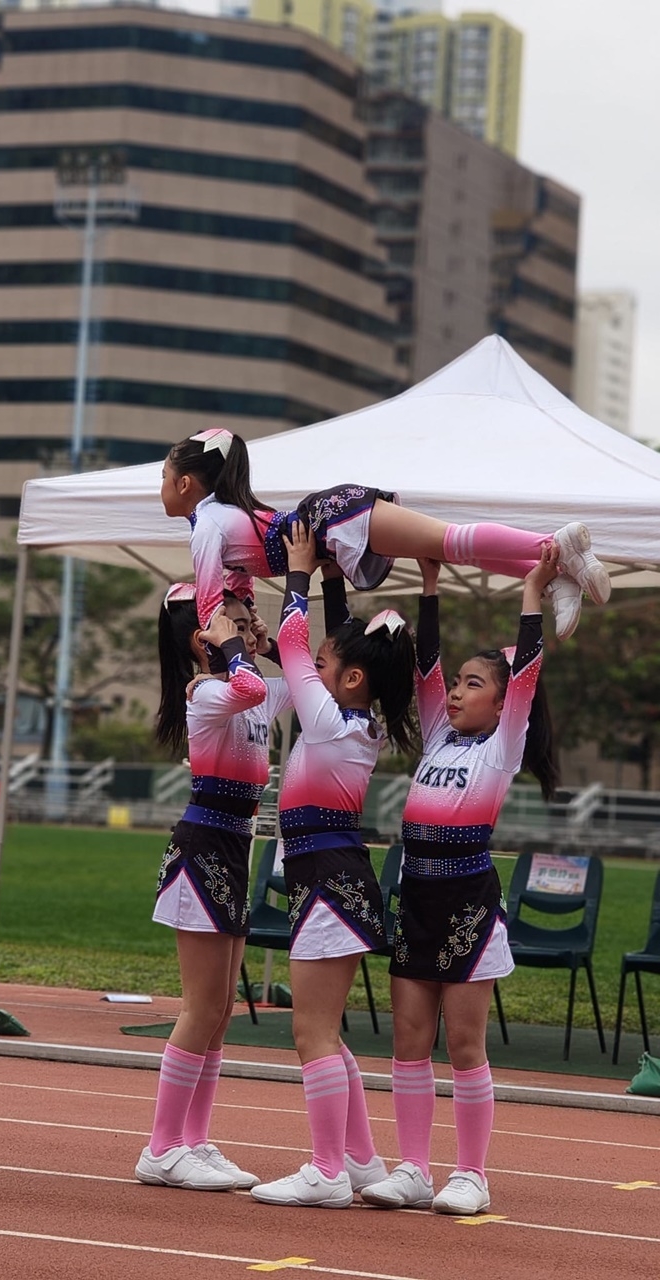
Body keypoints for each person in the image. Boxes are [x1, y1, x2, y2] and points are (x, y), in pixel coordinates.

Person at [360, 544, 560, 1216]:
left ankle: (471, 1174)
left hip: (468, 903)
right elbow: (425, 665)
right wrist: (430, 583)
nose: (455, 691)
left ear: (503, 704)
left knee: (465, 1045)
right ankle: (414, 1168)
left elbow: (527, 671)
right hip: (417, 896)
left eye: (473, 684)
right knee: (409, 1041)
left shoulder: (502, 747)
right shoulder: (439, 738)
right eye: (457, 683)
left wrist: (531, 593)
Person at [250, 524, 417, 1210]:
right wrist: (330, 576)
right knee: (327, 1029)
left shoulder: (329, 722)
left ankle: (325, 1170)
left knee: (310, 1032)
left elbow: (297, 647)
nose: (307, 672)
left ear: (350, 679)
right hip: (333, 876)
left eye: (323, 666)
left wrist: (296, 574)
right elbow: (320, 652)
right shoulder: (348, 719)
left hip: (327, 879)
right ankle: (360, 1159)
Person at [160, 428, 611, 643]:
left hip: (331, 520)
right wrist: (250, 615)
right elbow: (235, 585)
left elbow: (208, 600)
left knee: (451, 541)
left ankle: (554, 545)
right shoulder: (219, 517)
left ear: (184, 484)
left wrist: (213, 652)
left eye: (163, 476)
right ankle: (553, 577)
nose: (160, 485)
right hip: (330, 529)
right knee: (454, 550)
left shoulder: (209, 524)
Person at [135, 584, 293, 1192]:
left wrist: (267, 645)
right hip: (202, 850)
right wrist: (234, 651)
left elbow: (311, 687)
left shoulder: (246, 688)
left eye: (251, 623)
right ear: (204, 640)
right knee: (200, 1007)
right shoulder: (207, 693)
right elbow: (248, 687)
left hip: (233, 850)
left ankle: (194, 1141)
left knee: (222, 1011)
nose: (248, 630)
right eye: (237, 623)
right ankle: (160, 1148)